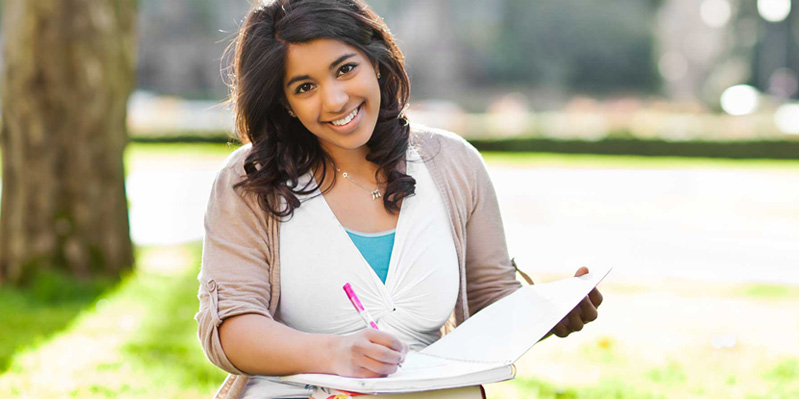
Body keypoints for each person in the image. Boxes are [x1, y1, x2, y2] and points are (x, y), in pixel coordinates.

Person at [195, 1, 603, 398]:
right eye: (305, 87)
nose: (335, 100)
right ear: (285, 102)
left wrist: (550, 313)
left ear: (375, 61)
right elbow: (230, 329)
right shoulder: (248, 181)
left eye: (346, 69)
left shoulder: (454, 165)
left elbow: (491, 297)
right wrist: (333, 353)